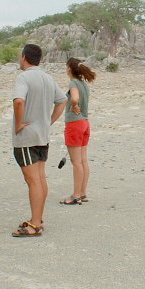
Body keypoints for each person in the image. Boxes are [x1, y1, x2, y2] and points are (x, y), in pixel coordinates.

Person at [11, 44, 66, 237]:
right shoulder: (48, 78)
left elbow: (18, 101)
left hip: (27, 138)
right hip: (42, 135)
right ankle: (38, 218)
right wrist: (48, 121)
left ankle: (34, 224)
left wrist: (19, 124)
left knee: (33, 180)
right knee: (40, 178)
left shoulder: (23, 77)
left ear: (24, 56)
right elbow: (62, 101)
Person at [60, 58, 96, 205]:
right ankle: (82, 193)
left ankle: (75, 195)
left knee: (76, 163)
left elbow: (74, 98)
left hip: (75, 123)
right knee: (83, 160)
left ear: (69, 68)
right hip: (85, 123)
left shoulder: (73, 83)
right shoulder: (84, 85)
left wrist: (74, 105)